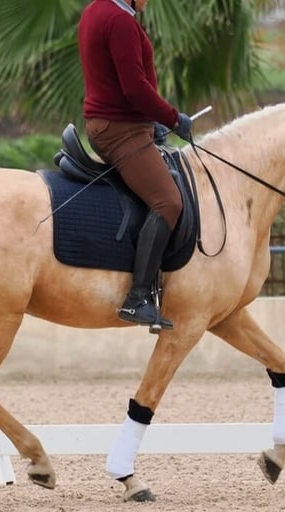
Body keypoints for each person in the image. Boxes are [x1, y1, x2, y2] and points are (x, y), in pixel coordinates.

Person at [78, 0, 192, 331]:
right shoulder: (120, 21)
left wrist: (151, 122)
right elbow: (134, 87)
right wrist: (172, 118)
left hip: (119, 122)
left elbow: (114, 83)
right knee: (168, 201)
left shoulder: (96, 10)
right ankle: (137, 298)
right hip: (121, 130)